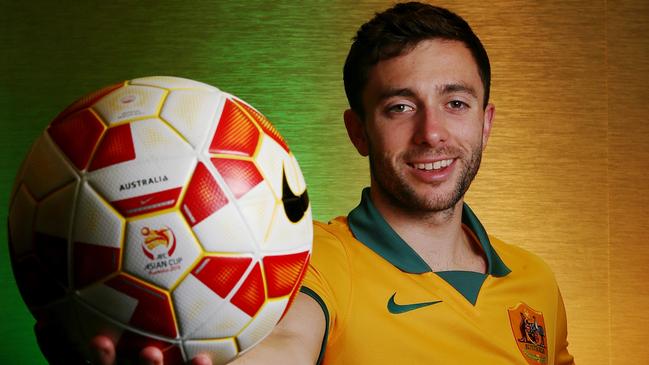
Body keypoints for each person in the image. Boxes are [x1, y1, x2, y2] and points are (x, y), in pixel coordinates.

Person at [43, 2, 574, 364]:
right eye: (399, 107)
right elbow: (286, 343)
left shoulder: (535, 280)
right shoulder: (305, 255)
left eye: (455, 103)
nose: (431, 132)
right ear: (358, 131)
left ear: (486, 121)